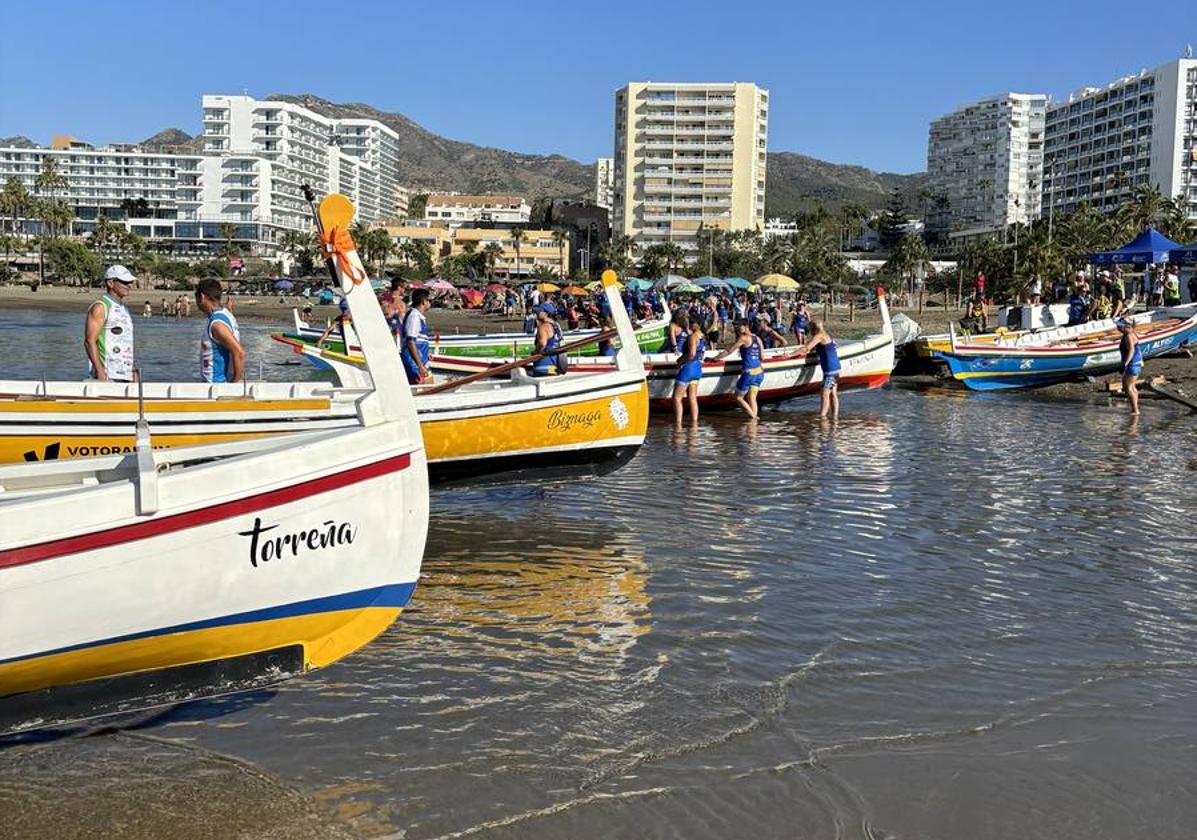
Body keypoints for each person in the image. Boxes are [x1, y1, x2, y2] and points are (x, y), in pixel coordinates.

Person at [84, 264, 136, 382]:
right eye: (124, 282)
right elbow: (89, 341)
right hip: (107, 373)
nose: (128, 286)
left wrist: (132, 370)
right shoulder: (100, 307)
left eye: (129, 282)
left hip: (125, 374)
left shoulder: (124, 309)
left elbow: (125, 342)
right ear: (111, 283)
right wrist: (99, 370)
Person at [195, 278, 244, 384]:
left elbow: (239, 352)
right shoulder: (225, 313)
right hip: (216, 385)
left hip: (216, 386)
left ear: (202, 297)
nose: (197, 304)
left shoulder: (217, 324)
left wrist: (234, 384)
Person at [716, 322, 765, 419]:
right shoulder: (758, 339)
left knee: (738, 398)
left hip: (749, 373)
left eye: (739, 326)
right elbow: (762, 356)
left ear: (746, 326)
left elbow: (730, 350)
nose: (737, 328)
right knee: (752, 398)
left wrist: (716, 358)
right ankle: (753, 427)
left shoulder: (743, 338)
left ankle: (754, 418)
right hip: (759, 372)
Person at [799, 321, 841, 418]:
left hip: (830, 371)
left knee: (824, 393)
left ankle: (823, 418)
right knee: (833, 394)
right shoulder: (826, 335)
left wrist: (790, 354)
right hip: (835, 368)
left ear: (814, 329)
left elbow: (806, 348)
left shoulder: (819, 336)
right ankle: (835, 418)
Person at [671, 316, 705, 425]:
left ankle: (678, 424)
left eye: (690, 322)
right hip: (698, 368)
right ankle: (694, 424)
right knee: (692, 398)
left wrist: (679, 362)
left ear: (696, 325)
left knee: (676, 398)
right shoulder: (702, 336)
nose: (688, 324)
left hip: (688, 368)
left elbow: (691, 354)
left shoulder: (693, 336)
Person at [401, 288, 432, 384]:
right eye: (429, 300)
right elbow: (410, 342)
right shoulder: (414, 316)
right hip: (414, 364)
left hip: (422, 361)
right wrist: (420, 365)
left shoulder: (418, 316)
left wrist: (427, 354)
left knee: (430, 385)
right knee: (421, 390)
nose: (430, 303)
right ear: (423, 301)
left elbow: (419, 340)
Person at [531, 304, 566, 376]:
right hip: (554, 367)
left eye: (539, 311)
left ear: (545, 313)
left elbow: (542, 344)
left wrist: (534, 353)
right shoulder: (556, 325)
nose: (536, 313)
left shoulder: (543, 327)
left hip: (543, 366)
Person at [1118, 318, 1142, 415]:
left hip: (1132, 364)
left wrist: (1125, 364)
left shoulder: (1128, 336)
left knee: (1128, 388)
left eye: (1120, 327)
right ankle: (1135, 409)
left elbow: (1131, 350)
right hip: (1135, 364)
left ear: (1126, 327)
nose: (1118, 328)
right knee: (1131, 386)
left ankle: (1135, 410)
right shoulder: (1131, 333)